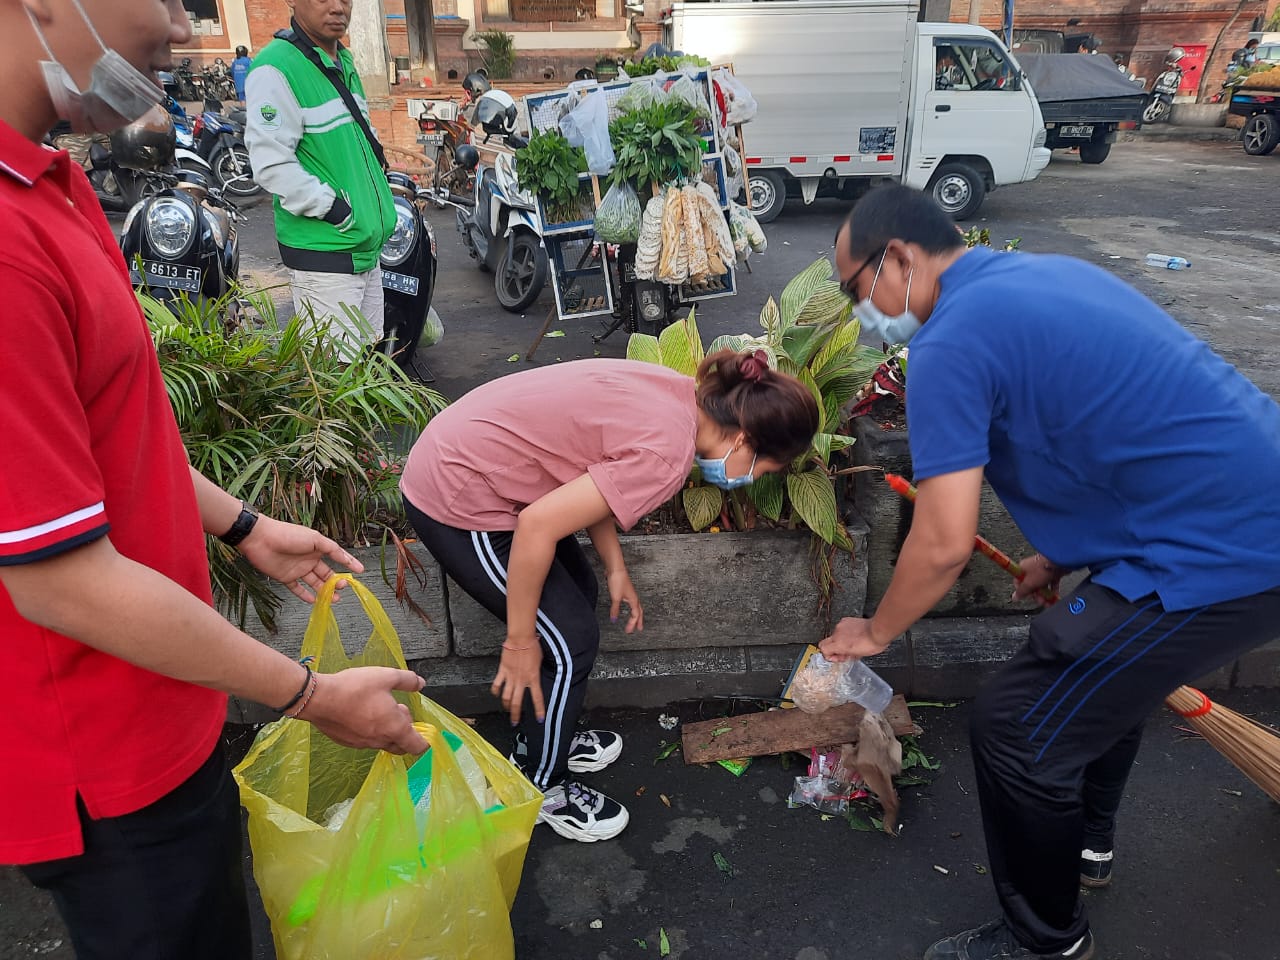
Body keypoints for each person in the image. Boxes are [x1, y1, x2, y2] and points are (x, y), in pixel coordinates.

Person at [0, 2, 428, 958]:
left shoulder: (51, 180)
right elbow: (55, 576)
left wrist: (243, 526)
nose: (183, 22)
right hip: (106, 766)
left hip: (163, 709)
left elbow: (111, 437)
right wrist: (314, 697)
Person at [823, 184, 1280, 960]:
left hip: (1224, 548)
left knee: (1017, 725)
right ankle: (1086, 847)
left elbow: (941, 542)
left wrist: (874, 629)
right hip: (1235, 510)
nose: (858, 312)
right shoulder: (1040, 277)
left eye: (852, 289)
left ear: (897, 258)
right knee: (1096, 690)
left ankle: (1045, 942)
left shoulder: (951, 341)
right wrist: (1061, 554)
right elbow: (1101, 428)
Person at [399, 352, 820, 842]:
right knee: (567, 641)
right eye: (764, 468)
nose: (754, 478)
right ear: (744, 438)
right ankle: (540, 787)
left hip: (482, 463)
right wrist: (518, 641)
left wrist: (616, 567)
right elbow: (537, 524)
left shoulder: (683, 397)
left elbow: (591, 466)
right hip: (461, 497)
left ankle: (544, 736)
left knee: (579, 598)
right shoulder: (667, 454)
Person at [245, 0, 395, 361]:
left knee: (367, 363)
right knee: (334, 376)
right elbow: (271, 164)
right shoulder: (276, 68)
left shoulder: (342, 62)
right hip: (327, 254)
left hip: (364, 249)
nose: (337, 7)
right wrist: (337, 211)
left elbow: (359, 137)